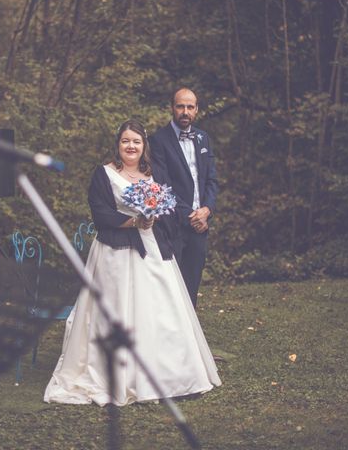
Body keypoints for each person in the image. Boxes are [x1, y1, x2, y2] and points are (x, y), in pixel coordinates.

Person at [44, 120, 220, 406]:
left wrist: (155, 216)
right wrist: (132, 220)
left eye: (136, 142)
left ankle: (175, 377)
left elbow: (169, 206)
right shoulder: (104, 174)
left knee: (162, 312)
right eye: (125, 141)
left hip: (154, 249)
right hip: (117, 253)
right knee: (123, 313)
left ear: (143, 146)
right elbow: (99, 212)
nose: (130, 146)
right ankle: (127, 377)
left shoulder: (153, 173)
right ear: (118, 144)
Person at [149, 88, 219, 308]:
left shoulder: (203, 138)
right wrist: (191, 215)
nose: (185, 111)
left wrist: (206, 210)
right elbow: (162, 185)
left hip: (201, 226)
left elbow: (212, 180)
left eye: (190, 107)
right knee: (170, 287)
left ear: (196, 109)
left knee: (192, 285)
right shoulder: (158, 140)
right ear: (172, 107)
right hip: (173, 226)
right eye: (180, 106)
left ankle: (189, 337)